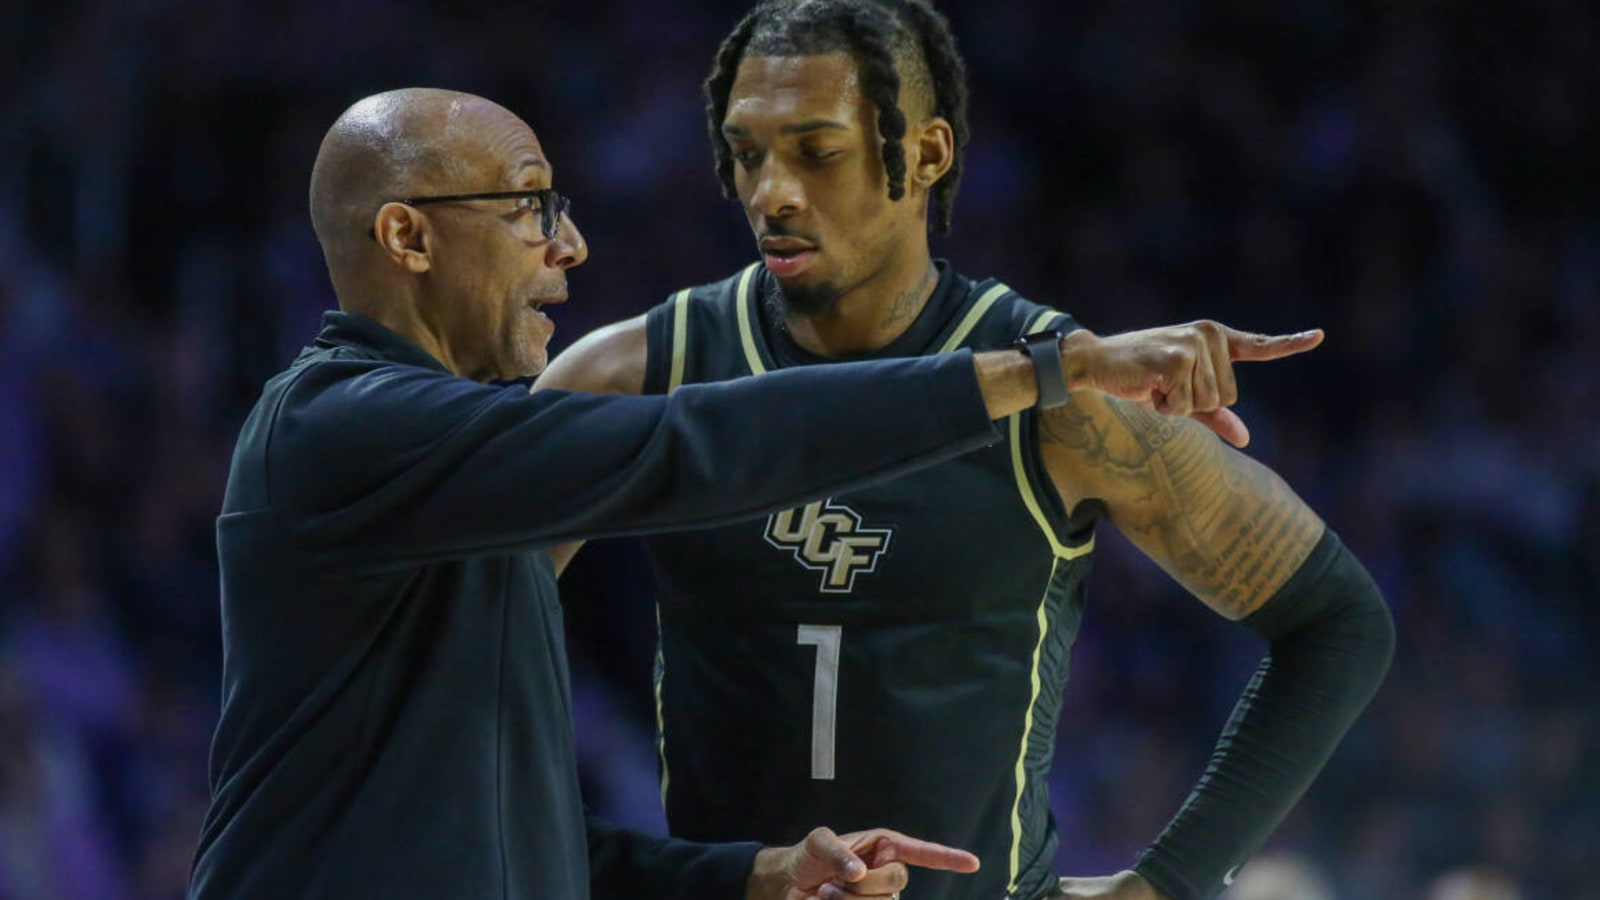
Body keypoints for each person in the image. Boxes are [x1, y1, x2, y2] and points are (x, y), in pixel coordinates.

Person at [186, 87, 1273, 900]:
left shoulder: (462, 481)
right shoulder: (338, 429)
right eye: (527, 207)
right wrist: (1040, 370)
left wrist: (758, 875)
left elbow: (526, 843)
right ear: (406, 236)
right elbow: (697, 440)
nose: (567, 243)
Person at [533, 3, 1396, 900]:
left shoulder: (1069, 395)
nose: (771, 194)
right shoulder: (632, 376)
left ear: (929, 153)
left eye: (816, 152)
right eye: (746, 153)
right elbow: (450, 652)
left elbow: (1339, 626)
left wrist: (1166, 884)